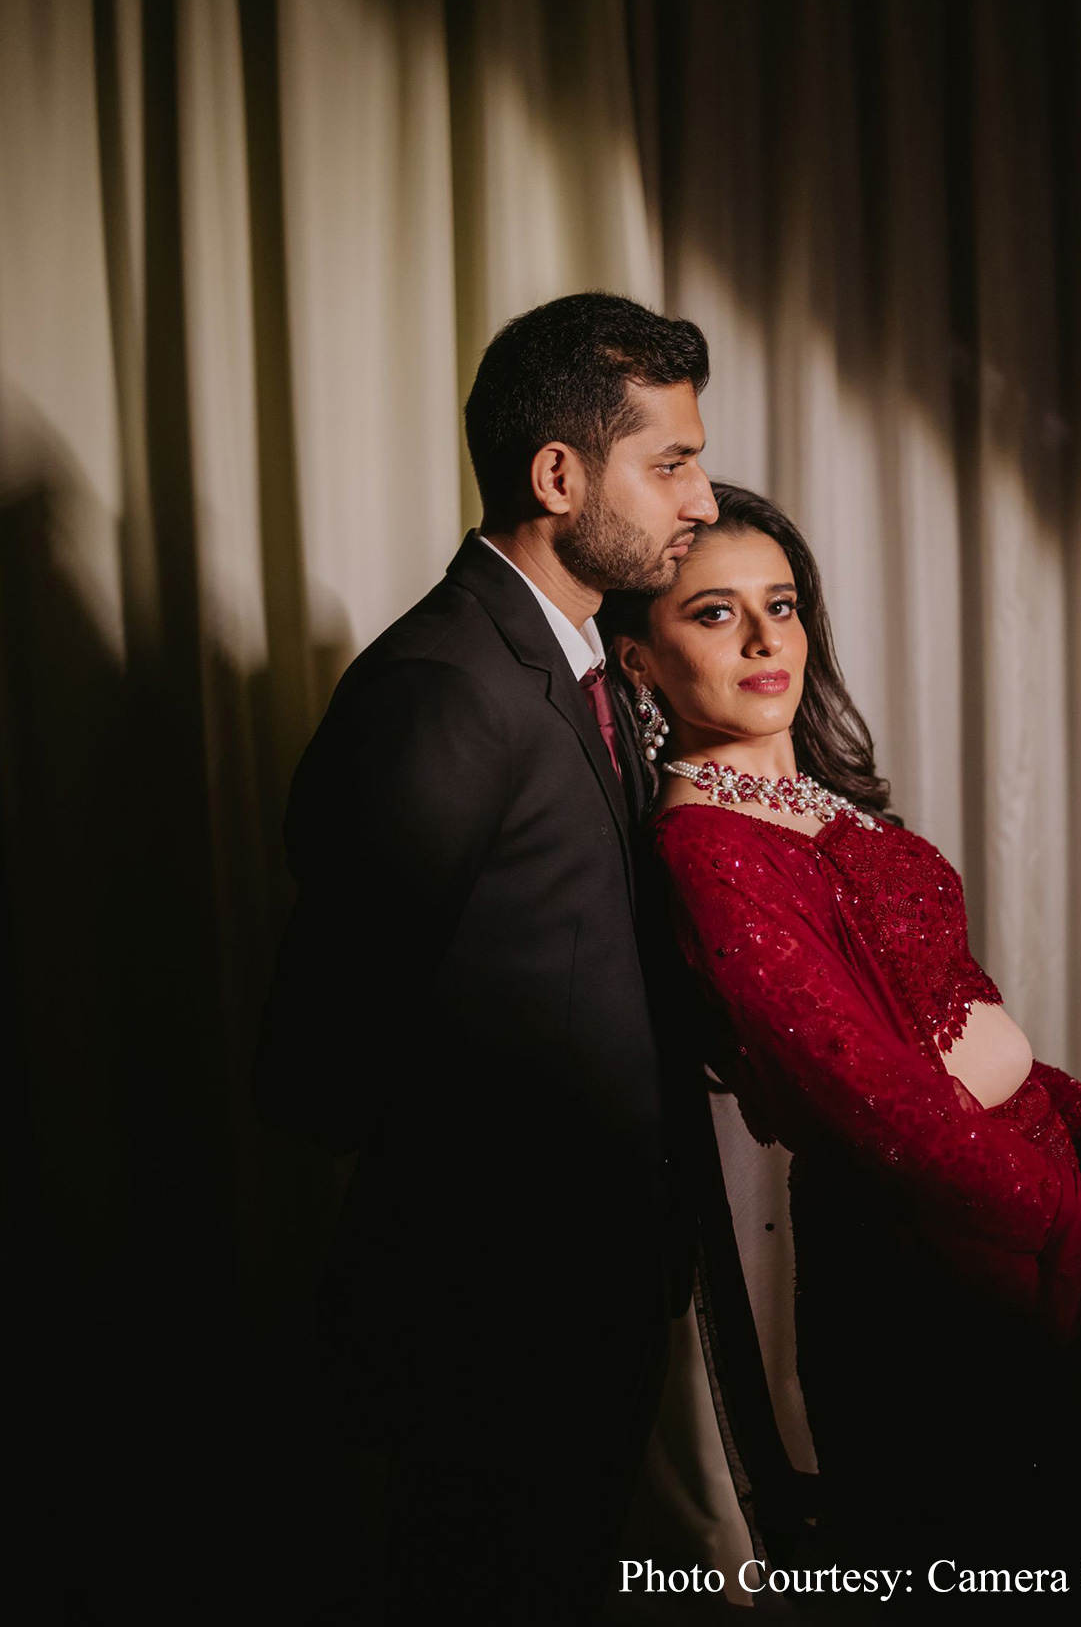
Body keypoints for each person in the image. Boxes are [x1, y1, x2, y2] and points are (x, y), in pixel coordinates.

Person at [605, 481, 1081, 1610]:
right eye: (713, 614)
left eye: (783, 603)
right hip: (922, 1272)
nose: (768, 639)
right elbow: (870, 1101)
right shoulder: (710, 852)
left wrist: (1074, 1118)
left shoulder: (820, 805)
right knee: (962, 1571)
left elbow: (952, 998)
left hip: (1000, 1228)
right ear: (638, 663)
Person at [252, 292, 718, 1625]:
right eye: (670, 461)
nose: (698, 495)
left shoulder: (581, 668)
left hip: (587, 1303)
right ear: (558, 475)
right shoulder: (447, 685)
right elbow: (316, 1065)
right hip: (491, 1326)